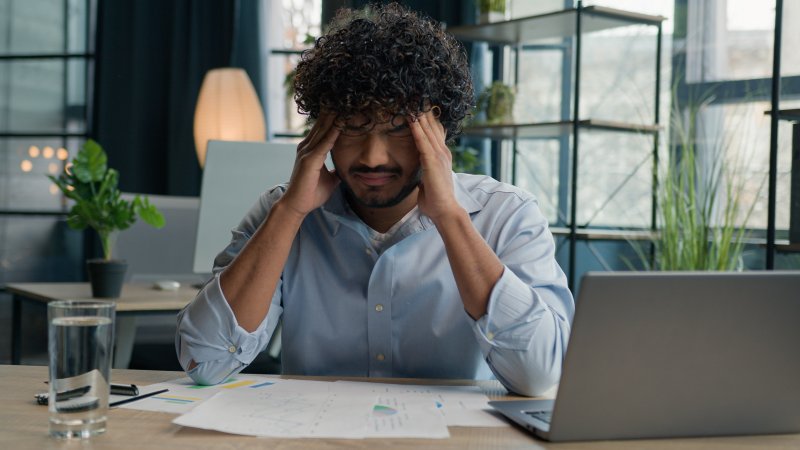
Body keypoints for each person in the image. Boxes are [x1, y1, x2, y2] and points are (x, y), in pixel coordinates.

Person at [176, 3, 574, 397]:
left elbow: (540, 374)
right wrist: (291, 212)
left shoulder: (506, 215)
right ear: (321, 131)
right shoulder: (281, 213)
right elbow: (204, 362)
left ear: (441, 131)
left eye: (400, 129)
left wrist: (451, 218)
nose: (372, 157)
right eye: (352, 127)